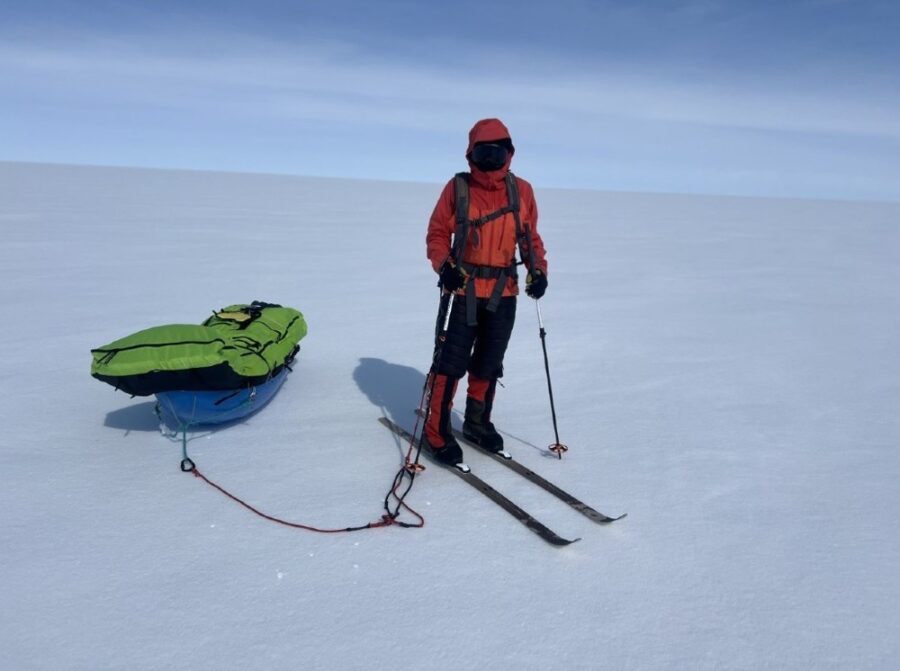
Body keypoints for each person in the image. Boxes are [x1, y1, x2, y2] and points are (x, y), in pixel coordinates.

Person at [423, 118, 548, 466]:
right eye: (483, 151)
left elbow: (530, 238)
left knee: (489, 364)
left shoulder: (521, 191)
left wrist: (538, 271)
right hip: (463, 290)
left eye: (498, 150)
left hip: (504, 292)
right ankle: (436, 430)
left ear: (509, 152)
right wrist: (443, 265)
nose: (491, 157)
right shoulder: (458, 188)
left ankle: (477, 422)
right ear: (471, 153)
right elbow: (436, 233)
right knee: (450, 364)